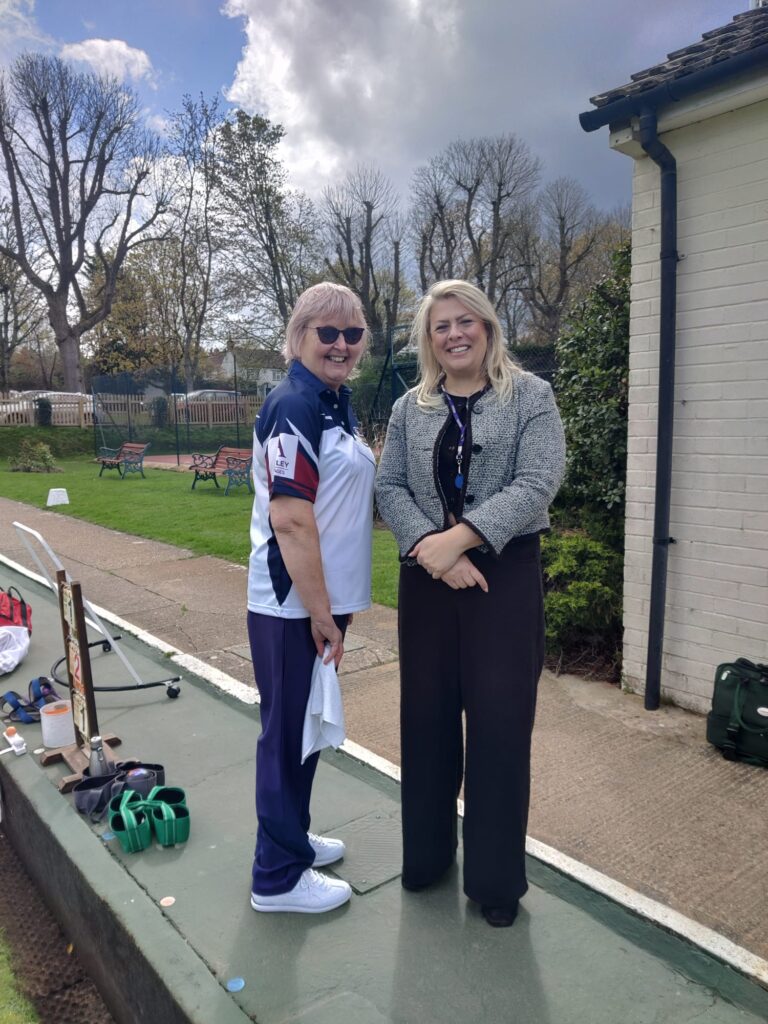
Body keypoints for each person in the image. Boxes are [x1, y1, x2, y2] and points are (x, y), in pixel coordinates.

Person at [375, 279, 565, 927]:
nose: (454, 334)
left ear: (487, 326)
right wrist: (430, 548)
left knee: (500, 727)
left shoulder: (532, 397)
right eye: (440, 326)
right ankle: (427, 859)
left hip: (504, 580)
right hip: (426, 583)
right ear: (429, 340)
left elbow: (538, 482)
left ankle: (495, 881)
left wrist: (459, 541)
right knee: (425, 723)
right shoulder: (410, 408)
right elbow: (390, 484)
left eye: (466, 322)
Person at [247, 282, 375, 914]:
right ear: (298, 337)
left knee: (305, 730)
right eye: (328, 332)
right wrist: (322, 613)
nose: (342, 344)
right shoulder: (293, 402)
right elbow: (291, 519)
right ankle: (276, 876)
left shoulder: (333, 401)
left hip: (322, 602)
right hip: (291, 603)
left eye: (353, 334)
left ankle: (291, 839)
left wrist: (333, 609)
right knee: (284, 733)